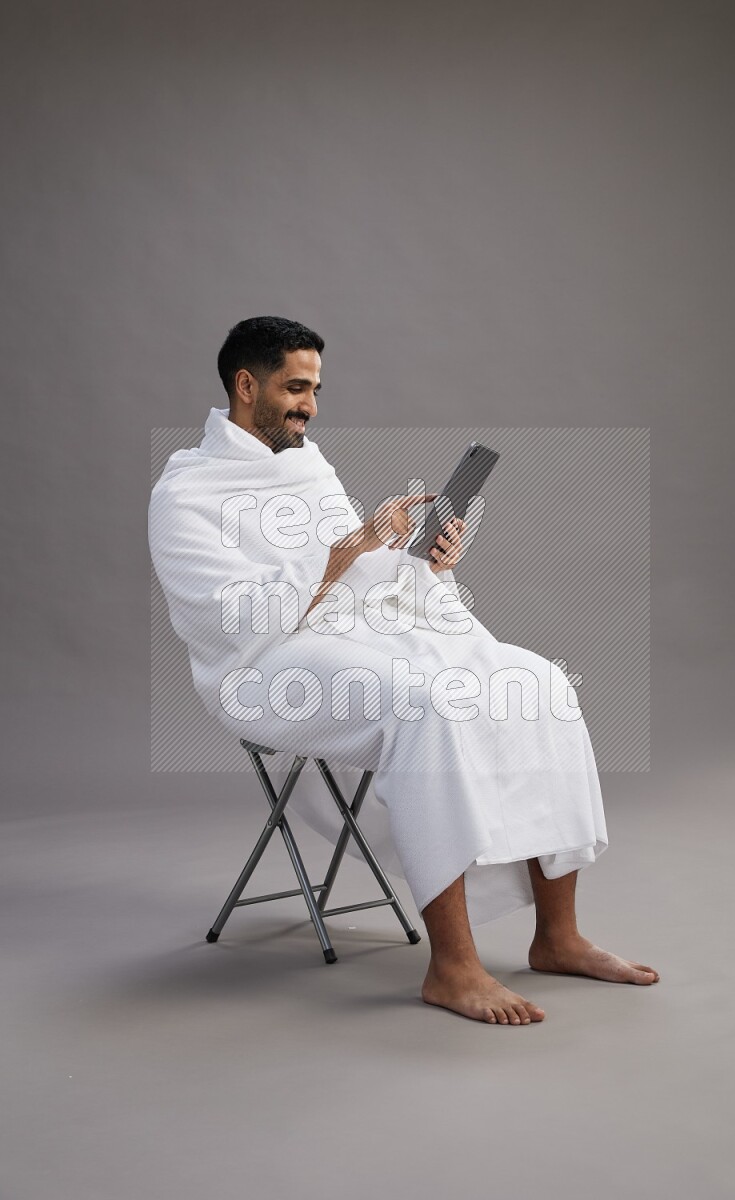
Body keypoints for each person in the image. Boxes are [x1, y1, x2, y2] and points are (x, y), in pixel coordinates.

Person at [149, 315, 659, 1026]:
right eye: (297, 389)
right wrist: (354, 544)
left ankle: (558, 936)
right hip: (262, 667)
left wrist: (420, 562)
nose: (311, 406)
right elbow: (228, 621)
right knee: (429, 702)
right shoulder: (185, 495)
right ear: (245, 384)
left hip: (347, 633)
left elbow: (358, 577)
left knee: (539, 682)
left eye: (316, 390)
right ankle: (452, 965)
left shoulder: (306, 463)